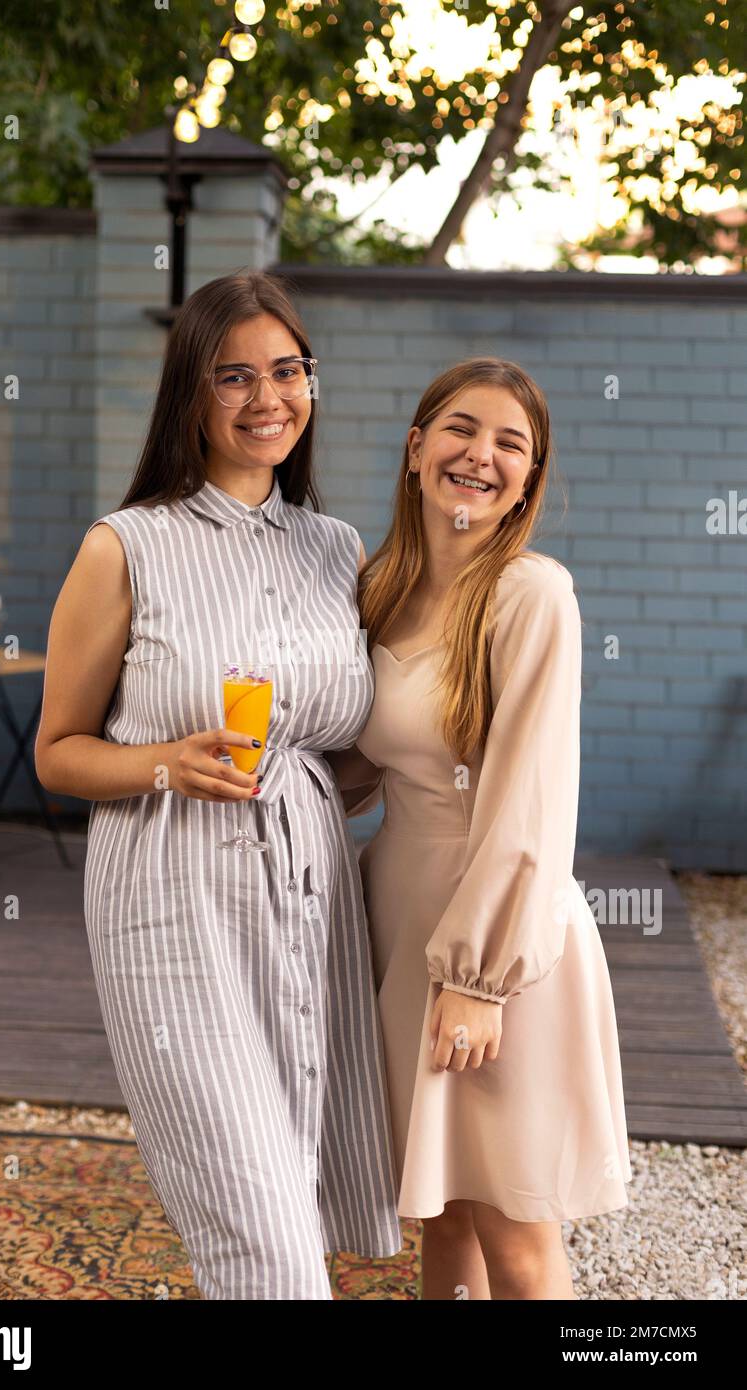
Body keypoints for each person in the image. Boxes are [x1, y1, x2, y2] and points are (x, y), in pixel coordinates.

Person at [34, 269, 402, 1300]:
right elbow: (58, 749)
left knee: (293, 1193)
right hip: (171, 896)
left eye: (287, 371)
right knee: (264, 1240)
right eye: (232, 376)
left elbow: (345, 759)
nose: (266, 398)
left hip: (308, 902)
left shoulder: (338, 552)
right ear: (188, 393)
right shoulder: (127, 547)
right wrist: (165, 762)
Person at [326, 357, 632, 1301]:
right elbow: (367, 761)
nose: (482, 455)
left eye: (512, 444)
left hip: (497, 942)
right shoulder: (379, 587)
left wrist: (476, 980)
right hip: (401, 916)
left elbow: (531, 798)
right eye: (462, 429)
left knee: (515, 1233)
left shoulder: (532, 594)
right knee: (441, 1215)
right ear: (417, 448)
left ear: (528, 480)